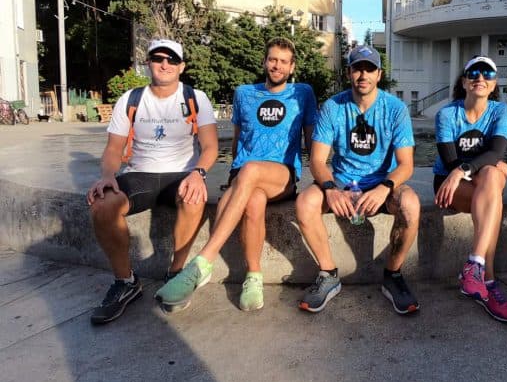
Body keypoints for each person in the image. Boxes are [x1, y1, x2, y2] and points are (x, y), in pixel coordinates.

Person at [155, 37, 317, 312]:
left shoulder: (302, 93)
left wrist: (321, 180)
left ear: (292, 67)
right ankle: (253, 277)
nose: (277, 66)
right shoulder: (244, 93)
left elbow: (311, 141)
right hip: (244, 175)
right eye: (272, 59)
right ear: (264, 62)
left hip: (281, 175)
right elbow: (238, 140)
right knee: (253, 198)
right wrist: (234, 176)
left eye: (283, 62)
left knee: (252, 169)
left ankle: (204, 261)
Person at [86, 38, 218, 325]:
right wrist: (107, 176)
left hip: (181, 173)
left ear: (181, 66)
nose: (164, 64)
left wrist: (198, 173)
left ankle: (176, 274)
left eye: (172, 60)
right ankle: (126, 282)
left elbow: (210, 147)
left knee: (195, 196)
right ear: (148, 63)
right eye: (158, 58)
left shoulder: (196, 98)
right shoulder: (131, 99)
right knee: (102, 205)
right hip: (139, 174)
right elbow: (113, 149)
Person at [295, 45, 421, 315]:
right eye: (357, 69)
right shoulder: (333, 107)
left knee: (410, 204)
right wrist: (331, 189)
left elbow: (406, 164)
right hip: (341, 182)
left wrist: (384, 188)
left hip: (382, 184)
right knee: (305, 202)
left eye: (369, 69)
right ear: (348, 73)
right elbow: (317, 160)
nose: (363, 75)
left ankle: (393, 275)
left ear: (379, 74)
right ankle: (328, 274)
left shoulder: (395, 109)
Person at [433, 56, 507, 323]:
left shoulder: (500, 111)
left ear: (494, 84)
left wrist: (488, 163)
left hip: (478, 180)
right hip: (449, 185)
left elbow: (496, 151)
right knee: (493, 193)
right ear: (464, 82)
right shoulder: (447, 114)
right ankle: (487, 280)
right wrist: (495, 163)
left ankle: (476, 267)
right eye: (473, 73)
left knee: (492, 177)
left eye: (487, 74)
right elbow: (450, 162)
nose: (480, 78)